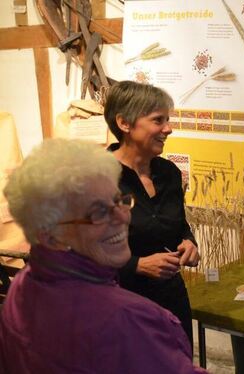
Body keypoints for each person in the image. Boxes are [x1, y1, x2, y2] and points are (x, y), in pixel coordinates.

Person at [0, 138, 206, 373]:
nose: (122, 218)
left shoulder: (22, 287)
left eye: (118, 200)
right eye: (98, 213)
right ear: (50, 235)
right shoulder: (128, 320)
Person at [104, 81, 199, 347]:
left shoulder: (169, 173)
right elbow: (78, 253)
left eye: (167, 120)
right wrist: (138, 265)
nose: (168, 129)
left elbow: (178, 225)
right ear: (124, 123)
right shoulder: (96, 179)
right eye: (158, 120)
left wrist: (189, 241)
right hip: (121, 305)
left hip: (171, 301)